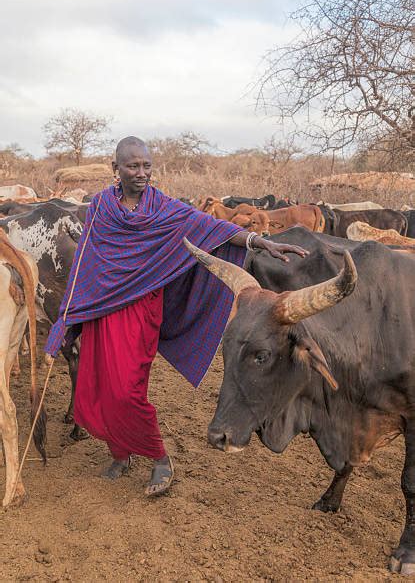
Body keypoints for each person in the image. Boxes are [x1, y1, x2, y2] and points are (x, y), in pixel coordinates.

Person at [45, 136, 307, 497]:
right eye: (132, 166)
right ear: (115, 169)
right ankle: (120, 454)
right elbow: (86, 261)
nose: (141, 173)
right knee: (101, 386)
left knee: (127, 391)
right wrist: (68, 315)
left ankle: (159, 457)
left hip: (140, 309)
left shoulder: (162, 206)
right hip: (104, 308)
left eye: (146, 166)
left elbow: (210, 227)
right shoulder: (101, 207)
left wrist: (260, 242)